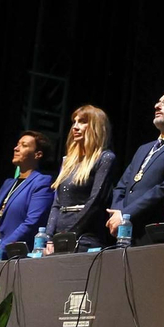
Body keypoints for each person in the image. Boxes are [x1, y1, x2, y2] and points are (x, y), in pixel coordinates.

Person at [107, 90, 164, 246]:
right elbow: (121, 186)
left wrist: (126, 214)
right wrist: (118, 213)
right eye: (158, 101)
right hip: (126, 231)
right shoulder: (144, 149)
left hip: (152, 230)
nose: (157, 106)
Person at [45, 105, 118, 254]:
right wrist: (48, 237)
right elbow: (57, 203)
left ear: (96, 127)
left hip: (85, 236)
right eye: (74, 122)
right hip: (60, 236)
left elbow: (96, 202)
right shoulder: (68, 161)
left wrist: (69, 234)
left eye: (83, 122)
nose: (75, 127)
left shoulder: (105, 158)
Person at [0, 131, 54, 261]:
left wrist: (0, 250)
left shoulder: (42, 182)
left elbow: (32, 222)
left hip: (19, 257)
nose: (16, 148)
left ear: (38, 154)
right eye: (17, 144)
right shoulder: (7, 184)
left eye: (24, 145)